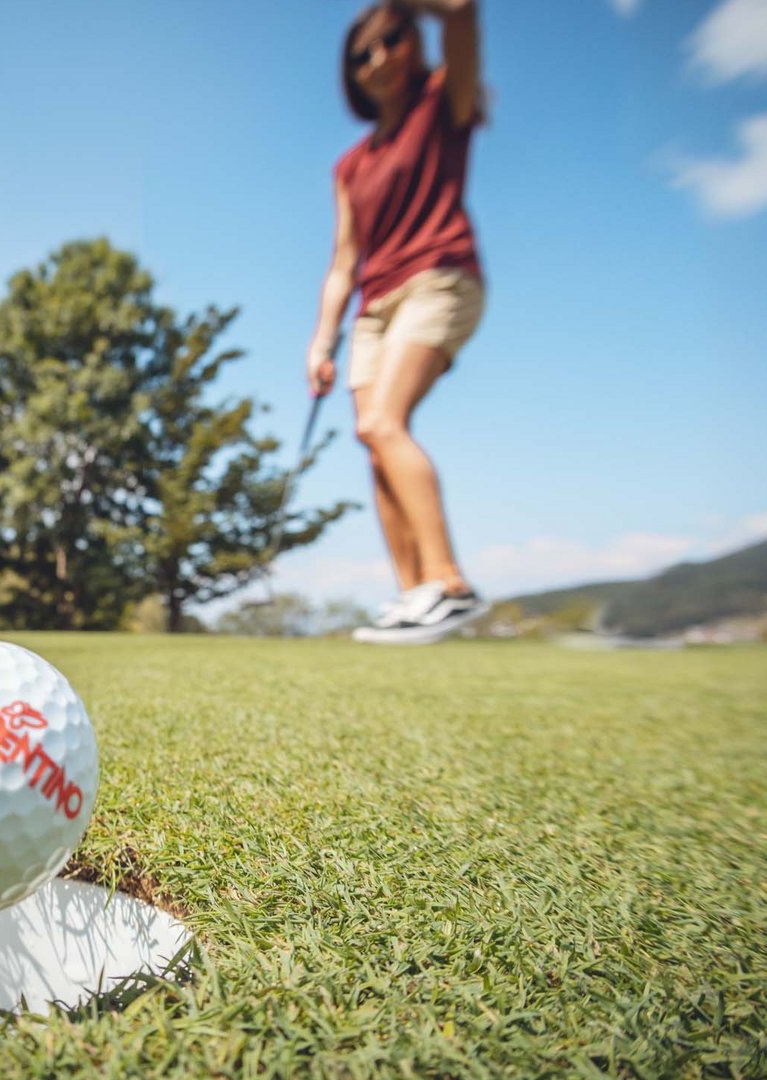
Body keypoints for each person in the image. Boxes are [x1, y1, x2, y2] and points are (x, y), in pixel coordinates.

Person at [306, 0, 489, 644]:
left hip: (439, 277)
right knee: (371, 436)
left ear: (414, 42)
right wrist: (320, 342)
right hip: (372, 306)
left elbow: (463, 15)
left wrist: (415, 5)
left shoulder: (442, 103)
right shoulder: (350, 166)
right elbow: (343, 262)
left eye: (391, 41)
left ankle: (449, 584)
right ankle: (415, 595)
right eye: (362, 53)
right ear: (350, 72)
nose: (377, 58)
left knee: (384, 422)